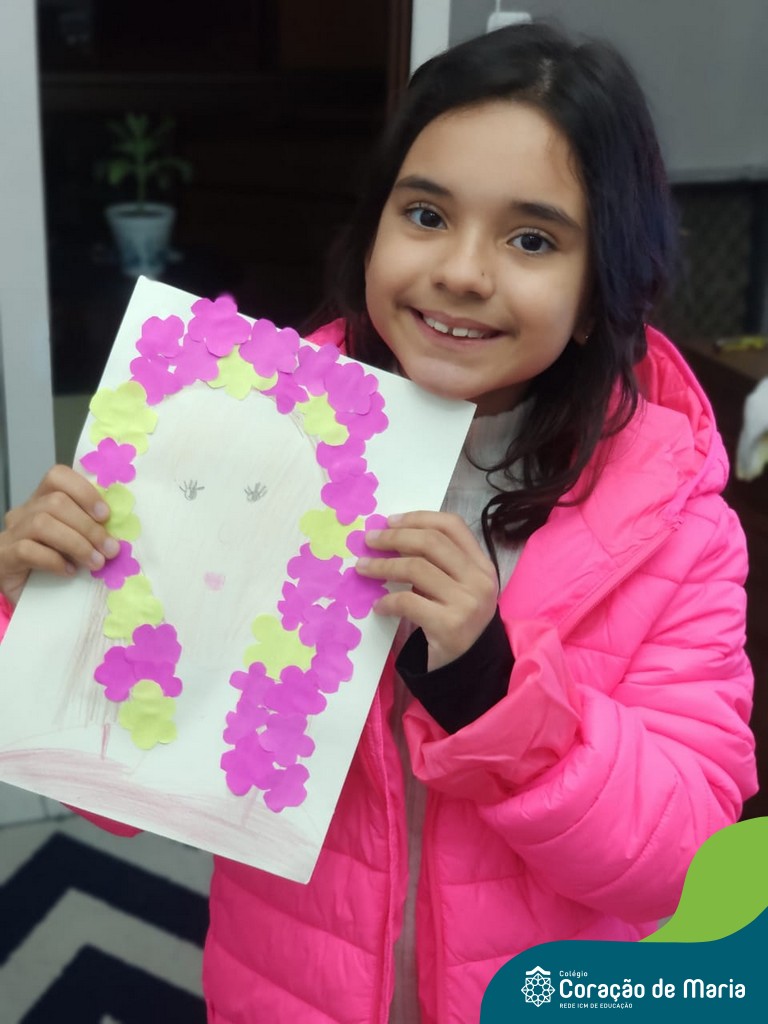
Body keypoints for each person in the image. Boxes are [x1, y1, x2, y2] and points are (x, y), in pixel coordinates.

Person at [0, 21, 757, 1024]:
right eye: (427, 214)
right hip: (288, 993)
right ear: (373, 234)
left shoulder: (675, 527)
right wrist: (49, 617)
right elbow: (112, 790)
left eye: (532, 239)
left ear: (596, 294)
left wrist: (495, 687)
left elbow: (680, 861)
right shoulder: (245, 442)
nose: (463, 272)